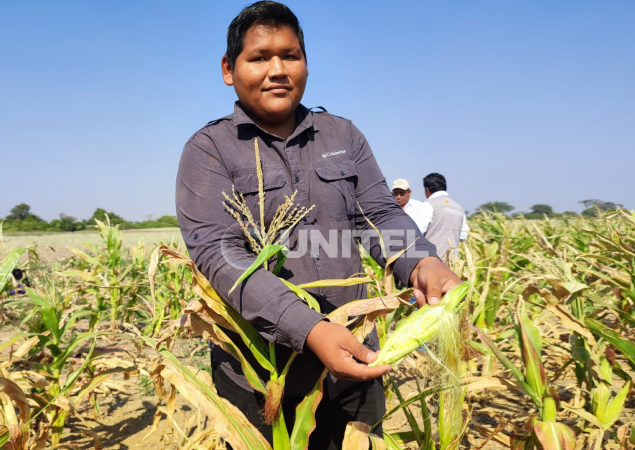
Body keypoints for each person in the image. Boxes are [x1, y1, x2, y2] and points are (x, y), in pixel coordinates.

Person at [175, 3, 461, 448]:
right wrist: (307, 328)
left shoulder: (342, 135)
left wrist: (420, 261)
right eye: (259, 57)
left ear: (306, 64)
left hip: (355, 356)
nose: (277, 70)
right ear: (229, 69)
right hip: (260, 372)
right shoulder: (209, 150)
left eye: (290, 55)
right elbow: (219, 253)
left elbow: (380, 216)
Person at [422, 173, 470, 262]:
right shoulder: (458, 207)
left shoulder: (427, 204)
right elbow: (464, 235)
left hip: (432, 262)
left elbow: (418, 232)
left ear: (427, 190)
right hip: (454, 264)